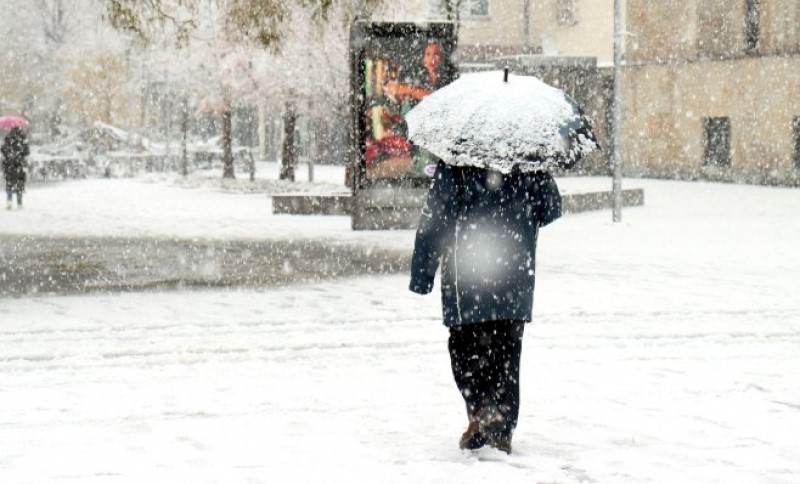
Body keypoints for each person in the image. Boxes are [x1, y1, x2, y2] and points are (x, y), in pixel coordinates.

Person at [409, 160, 563, 454]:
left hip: (466, 279)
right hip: (514, 277)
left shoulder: (455, 161)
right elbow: (550, 209)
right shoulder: (529, 159)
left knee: (465, 351)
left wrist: (422, 276)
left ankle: (481, 412)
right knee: (506, 356)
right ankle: (499, 424)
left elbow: (434, 222)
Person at [2, 127, 30, 210]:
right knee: (19, 184)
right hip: (19, 165)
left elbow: (3, 150)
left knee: (9, 183)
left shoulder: (8, 138)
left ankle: (9, 201)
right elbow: (27, 152)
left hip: (9, 165)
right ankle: (19, 202)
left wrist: (9, 155)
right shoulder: (22, 139)